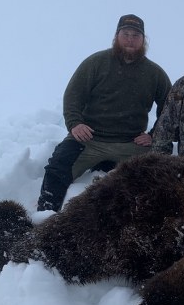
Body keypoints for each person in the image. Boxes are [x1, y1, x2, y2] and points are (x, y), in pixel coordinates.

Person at [37, 14, 171, 211]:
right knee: (58, 168)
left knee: (158, 173)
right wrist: (75, 123)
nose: (130, 39)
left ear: (144, 40)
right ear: (116, 36)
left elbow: (169, 110)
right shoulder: (95, 63)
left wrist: (154, 135)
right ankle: (45, 215)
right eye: (126, 34)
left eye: (136, 35)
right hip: (90, 139)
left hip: (131, 143)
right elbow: (73, 96)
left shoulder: (155, 73)